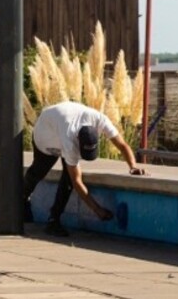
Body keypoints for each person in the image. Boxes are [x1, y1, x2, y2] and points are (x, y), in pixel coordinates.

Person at [23, 101, 146, 237]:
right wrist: (97, 210)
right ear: (77, 141)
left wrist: (133, 166)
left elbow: (122, 145)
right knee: (38, 172)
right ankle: (21, 201)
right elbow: (77, 182)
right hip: (45, 135)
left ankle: (54, 220)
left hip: (60, 121)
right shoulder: (69, 138)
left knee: (67, 179)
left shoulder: (100, 120)